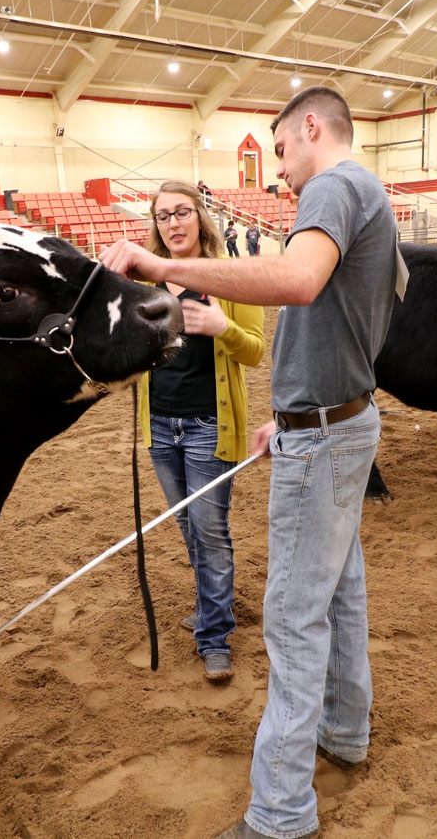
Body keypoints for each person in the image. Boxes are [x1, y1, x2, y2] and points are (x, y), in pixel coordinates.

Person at [100, 86, 399, 839]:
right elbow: (338, 311)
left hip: (327, 435)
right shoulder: (367, 192)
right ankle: (346, 733)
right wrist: (291, 414)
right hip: (337, 421)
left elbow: (296, 281)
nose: (281, 171)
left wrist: (159, 266)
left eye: (280, 151)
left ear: (309, 128)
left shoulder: (334, 186)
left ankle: (279, 815)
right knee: (340, 596)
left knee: (294, 619)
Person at [136, 179, 265, 683]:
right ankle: (212, 608)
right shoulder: (144, 285)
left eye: (181, 213)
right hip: (161, 428)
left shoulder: (232, 277)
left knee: (210, 533)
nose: (173, 224)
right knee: (190, 529)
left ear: (200, 217)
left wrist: (222, 327)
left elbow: (254, 351)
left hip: (211, 427)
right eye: (163, 216)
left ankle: (214, 636)